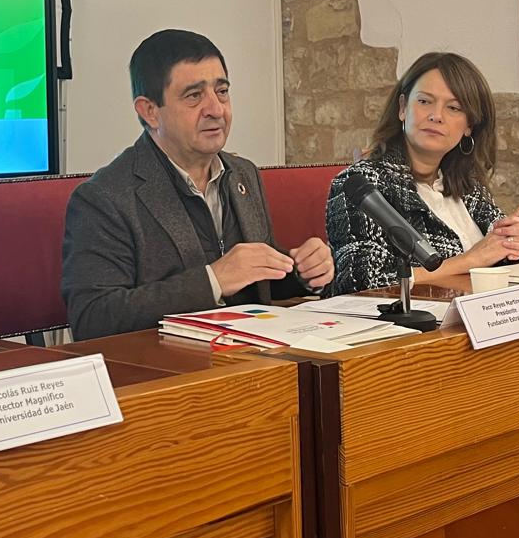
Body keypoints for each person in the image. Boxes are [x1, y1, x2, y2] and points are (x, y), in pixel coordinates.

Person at [62, 29, 334, 341]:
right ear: (149, 111)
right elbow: (93, 317)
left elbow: (252, 289)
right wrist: (212, 281)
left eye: (222, 91)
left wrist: (302, 272)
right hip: (169, 373)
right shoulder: (104, 198)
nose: (216, 109)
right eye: (194, 96)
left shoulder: (243, 174)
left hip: (255, 362)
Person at [326, 50, 519, 293]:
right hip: (415, 326)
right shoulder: (363, 184)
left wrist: (517, 246)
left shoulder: (467, 186)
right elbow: (360, 281)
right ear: (402, 108)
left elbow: (496, 253)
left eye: (454, 108)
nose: (436, 116)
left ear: (469, 126)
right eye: (425, 101)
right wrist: (470, 260)